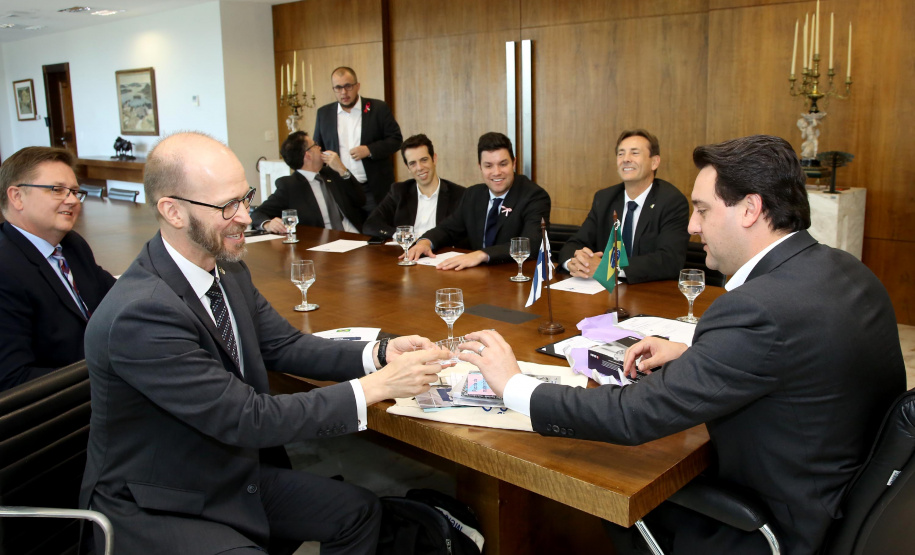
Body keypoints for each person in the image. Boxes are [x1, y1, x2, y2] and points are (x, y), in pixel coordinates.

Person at [459, 135, 906, 555]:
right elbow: (794, 355)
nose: (692, 226)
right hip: (840, 500)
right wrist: (697, 354)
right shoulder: (847, 270)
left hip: (773, 528)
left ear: (750, 209)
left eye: (702, 210)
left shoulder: (758, 309)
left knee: (607, 492)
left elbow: (631, 417)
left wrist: (516, 385)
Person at [79, 132, 446, 554]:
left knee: (359, 512)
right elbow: (247, 418)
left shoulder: (227, 271)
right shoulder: (141, 313)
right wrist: (378, 386)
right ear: (173, 211)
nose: (246, 217)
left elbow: (286, 346)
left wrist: (379, 354)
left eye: (246, 198)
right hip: (161, 502)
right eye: (227, 206)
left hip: (226, 472)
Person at [0, 146, 115, 391]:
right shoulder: (5, 269)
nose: (72, 200)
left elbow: (119, 296)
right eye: (58, 190)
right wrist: (109, 379)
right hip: (61, 411)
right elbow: (13, 379)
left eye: (74, 191)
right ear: (17, 196)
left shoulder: (72, 245)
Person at [558, 129, 689, 284]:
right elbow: (574, 244)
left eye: (634, 153)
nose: (625, 159)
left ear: (654, 162)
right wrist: (575, 263)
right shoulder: (604, 198)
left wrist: (610, 268)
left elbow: (669, 260)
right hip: (603, 294)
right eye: (621, 154)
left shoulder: (671, 201)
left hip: (650, 294)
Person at [405, 132, 551, 270]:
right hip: (478, 279)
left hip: (516, 277)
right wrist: (425, 242)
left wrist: (481, 255)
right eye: (488, 166)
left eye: (503, 164)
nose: (496, 172)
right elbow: (448, 229)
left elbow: (531, 245)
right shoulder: (473, 194)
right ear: (480, 167)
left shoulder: (535, 197)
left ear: (513, 163)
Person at [313, 66, 402, 212]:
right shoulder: (324, 114)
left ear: (357, 86)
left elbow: (396, 139)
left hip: (373, 189)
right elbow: (318, 149)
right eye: (338, 87)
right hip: (340, 188)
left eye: (348, 86)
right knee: (346, 233)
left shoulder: (378, 108)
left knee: (376, 232)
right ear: (333, 89)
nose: (344, 92)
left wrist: (369, 150)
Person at [251, 131, 366, 233]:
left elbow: (361, 200)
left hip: (353, 234)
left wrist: (342, 169)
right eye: (315, 145)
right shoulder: (289, 186)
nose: (320, 147)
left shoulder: (332, 173)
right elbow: (257, 214)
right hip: (323, 244)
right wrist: (268, 224)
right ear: (308, 154)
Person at [362, 134, 465, 239]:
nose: (419, 167)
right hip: (406, 252)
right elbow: (370, 225)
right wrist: (401, 236)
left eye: (424, 160)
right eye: (412, 163)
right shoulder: (399, 191)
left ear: (434, 159)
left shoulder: (459, 195)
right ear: (408, 167)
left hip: (441, 253)